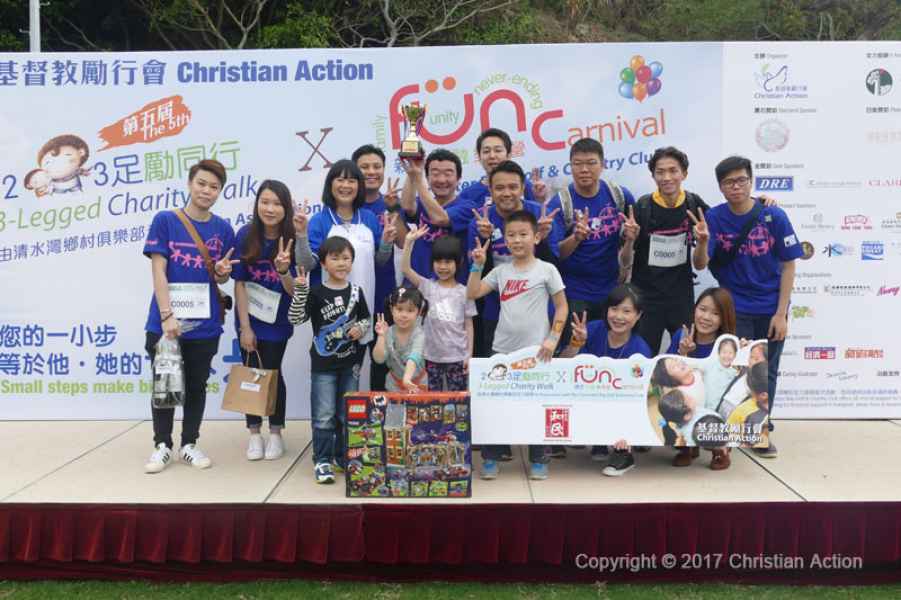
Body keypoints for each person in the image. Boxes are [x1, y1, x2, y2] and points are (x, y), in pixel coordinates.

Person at [143, 159, 236, 474]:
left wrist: (222, 272)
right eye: (202, 183)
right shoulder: (166, 221)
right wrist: (167, 315)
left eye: (214, 187)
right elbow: (158, 270)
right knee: (166, 386)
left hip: (205, 325)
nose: (207, 191)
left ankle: (189, 444)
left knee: (197, 386)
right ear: (190, 184)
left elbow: (221, 277)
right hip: (166, 322)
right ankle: (162, 445)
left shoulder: (223, 229)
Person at [705, 156, 802, 458]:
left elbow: (789, 265)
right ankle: (732, 429)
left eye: (741, 180)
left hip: (771, 307)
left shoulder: (774, 215)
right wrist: (701, 241)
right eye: (728, 182)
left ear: (751, 181)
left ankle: (761, 431)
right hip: (735, 307)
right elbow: (702, 262)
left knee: (766, 371)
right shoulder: (714, 218)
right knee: (735, 371)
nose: (735, 187)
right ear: (720, 187)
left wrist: (781, 314)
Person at [467, 210, 568, 481]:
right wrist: (477, 265)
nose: (517, 240)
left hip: (538, 352)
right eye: (511, 235)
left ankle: (539, 459)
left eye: (523, 234)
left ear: (536, 237)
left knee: (537, 407)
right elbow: (472, 293)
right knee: (495, 406)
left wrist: (553, 339)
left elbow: (562, 307)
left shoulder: (547, 270)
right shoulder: (500, 271)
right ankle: (490, 457)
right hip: (501, 350)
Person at [288, 236, 371, 484]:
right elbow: (295, 319)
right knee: (324, 415)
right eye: (335, 258)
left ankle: (342, 456)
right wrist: (300, 291)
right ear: (323, 263)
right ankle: (322, 459)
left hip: (350, 364)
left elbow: (366, 319)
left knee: (347, 414)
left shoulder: (356, 292)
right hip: (323, 365)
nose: (341, 263)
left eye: (346, 258)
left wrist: (360, 328)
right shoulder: (316, 292)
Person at [294, 159, 396, 347]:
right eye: (340, 180)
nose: (346, 186)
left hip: (363, 308)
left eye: (351, 181)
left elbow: (379, 261)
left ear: (359, 185)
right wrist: (301, 235)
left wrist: (386, 243)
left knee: (362, 359)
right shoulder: (320, 220)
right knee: (331, 358)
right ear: (330, 184)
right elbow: (306, 265)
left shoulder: (368, 218)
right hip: (330, 311)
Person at [621, 147, 711, 354]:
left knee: (686, 356)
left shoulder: (694, 204)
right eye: (660, 172)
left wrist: (759, 202)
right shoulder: (642, 207)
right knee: (643, 357)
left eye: (673, 171)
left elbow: (700, 264)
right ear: (653, 176)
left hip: (681, 296)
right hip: (646, 297)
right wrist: (629, 240)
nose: (667, 177)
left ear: (684, 174)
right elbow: (624, 262)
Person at [232, 180, 296, 461]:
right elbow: (239, 283)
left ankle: (276, 433)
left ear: (286, 208)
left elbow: (296, 290)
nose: (270, 209)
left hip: (278, 321)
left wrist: (283, 271)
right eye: (265, 202)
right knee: (251, 374)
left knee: (273, 374)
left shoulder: (293, 238)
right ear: (257, 204)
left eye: (277, 204)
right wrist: (245, 327)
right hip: (249, 319)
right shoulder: (245, 235)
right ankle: (254, 433)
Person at [467, 160, 560, 355]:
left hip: (538, 316)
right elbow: (475, 278)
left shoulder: (540, 215)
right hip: (496, 313)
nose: (507, 193)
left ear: (523, 188)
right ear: (490, 191)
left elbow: (554, 264)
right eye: (499, 188)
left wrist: (543, 238)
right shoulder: (480, 222)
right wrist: (484, 240)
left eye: (513, 187)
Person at [560, 283, 652, 476]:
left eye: (626, 311)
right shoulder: (593, 329)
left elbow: (640, 398)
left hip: (622, 406)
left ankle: (623, 453)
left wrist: (630, 431)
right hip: (588, 399)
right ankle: (598, 442)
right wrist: (576, 343)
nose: (618, 316)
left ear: (638, 315)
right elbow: (563, 366)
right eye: (614, 309)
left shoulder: (640, 350)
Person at [546, 138, 635, 335]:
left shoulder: (619, 195)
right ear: (570, 167)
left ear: (602, 165)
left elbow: (631, 241)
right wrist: (576, 238)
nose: (584, 169)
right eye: (577, 164)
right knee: (575, 348)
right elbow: (556, 254)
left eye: (591, 163)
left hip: (611, 293)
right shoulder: (560, 204)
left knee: (607, 348)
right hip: (573, 294)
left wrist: (630, 238)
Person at [665, 286, 737, 467]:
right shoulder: (681, 335)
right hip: (690, 397)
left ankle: (720, 450)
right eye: (702, 309)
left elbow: (732, 375)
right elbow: (667, 368)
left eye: (715, 313)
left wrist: (742, 352)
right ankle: (687, 447)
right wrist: (683, 352)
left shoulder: (726, 344)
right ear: (694, 309)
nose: (706, 317)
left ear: (724, 318)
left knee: (720, 412)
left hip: (714, 398)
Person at [353, 144, 405, 391]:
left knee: (382, 364)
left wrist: (393, 209)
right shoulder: (346, 207)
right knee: (349, 366)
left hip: (384, 297)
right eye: (364, 167)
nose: (371, 172)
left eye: (377, 166)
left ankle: (380, 412)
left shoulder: (390, 202)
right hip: (351, 299)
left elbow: (403, 242)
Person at [401, 227, 476, 391]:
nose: (442, 267)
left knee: (458, 401)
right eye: (438, 261)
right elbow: (405, 269)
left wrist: (469, 355)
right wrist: (408, 242)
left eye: (448, 262)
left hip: (457, 357)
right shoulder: (427, 286)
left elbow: (469, 324)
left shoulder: (465, 292)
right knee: (432, 401)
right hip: (431, 357)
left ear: (459, 263)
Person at [399, 149, 472, 282]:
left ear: (459, 178)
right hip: (417, 283)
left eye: (448, 174)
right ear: (427, 177)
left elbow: (440, 218)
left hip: (452, 287)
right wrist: (412, 173)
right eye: (435, 174)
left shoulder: (468, 207)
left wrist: (418, 179)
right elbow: (407, 206)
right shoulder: (422, 202)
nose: (441, 180)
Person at [456, 128, 549, 209]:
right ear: (479, 157)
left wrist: (539, 199)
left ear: (509, 155)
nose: (492, 156)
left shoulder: (525, 186)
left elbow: (538, 215)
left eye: (498, 150)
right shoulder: (467, 195)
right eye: (486, 151)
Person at [372, 287, 430, 392]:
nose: (404, 315)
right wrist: (381, 336)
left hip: (418, 385)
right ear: (392, 309)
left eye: (410, 310)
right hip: (393, 385)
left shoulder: (419, 334)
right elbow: (379, 359)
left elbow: (414, 357)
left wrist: (407, 379)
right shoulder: (388, 332)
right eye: (399, 309)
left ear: (419, 312)